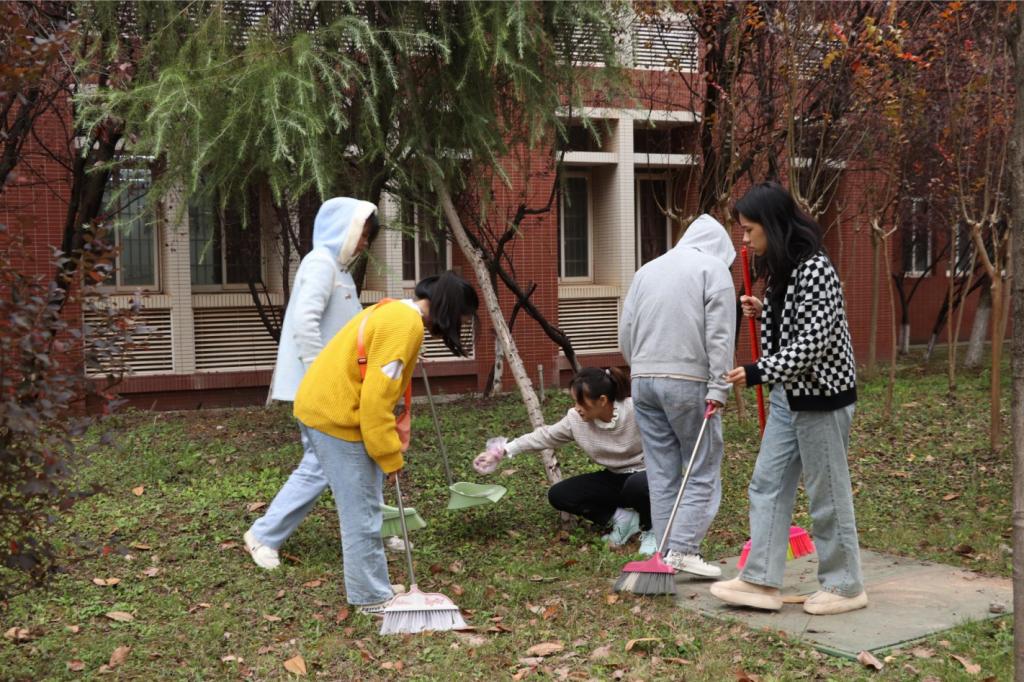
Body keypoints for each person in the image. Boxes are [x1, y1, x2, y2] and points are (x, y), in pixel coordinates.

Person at [711, 181, 866, 615]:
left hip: (822, 398)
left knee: (827, 492)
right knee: (767, 484)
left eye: (749, 230)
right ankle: (760, 580)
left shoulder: (816, 268)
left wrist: (757, 372)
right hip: (788, 396)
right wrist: (768, 312)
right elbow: (797, 326)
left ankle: (846, 585)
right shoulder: (787, 268)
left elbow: (814, 342)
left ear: (773, 224)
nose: (744, 239)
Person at [293, 271, 478, 614]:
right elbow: (375, 403)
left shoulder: (395, 310)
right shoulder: (405, 327)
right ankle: (370, 598)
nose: (461, 326)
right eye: (464, 319)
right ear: (451, 310)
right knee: (362, 513)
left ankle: (373, 584)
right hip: (336, 416)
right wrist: (389, 457)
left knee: (367, 505)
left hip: (324, 406)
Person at [243, 197, 382, 570]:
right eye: (362, 234)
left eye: (368, 236)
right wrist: (320, 375)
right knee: (321, 464)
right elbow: (305, 322)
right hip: (317, 387)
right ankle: (263, 534)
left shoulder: (339, 270)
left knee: (365, 454)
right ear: (344, 230)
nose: (364, 243)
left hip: (334, 385)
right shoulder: (320, 264)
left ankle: (376, 529)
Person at [618, 214, 736, 578]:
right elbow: (720, 336)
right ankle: (683, 549)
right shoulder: (714, 270)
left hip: (643, 381)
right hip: (689, 380)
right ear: (720, 248)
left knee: (661, 471)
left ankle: (667, 551)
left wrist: (640, 367)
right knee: (702, 465)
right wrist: (719, 385)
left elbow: (625, 330)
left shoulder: (647, 270)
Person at [474, 367, 656, 556]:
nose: (576, 408)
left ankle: (653, 528)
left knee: (636, 485)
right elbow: (544, 436)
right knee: (560, 494)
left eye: (581, 402)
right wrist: (501, 451)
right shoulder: (576, 419)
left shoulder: (636, 410)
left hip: (649, 477)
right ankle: (624, 520)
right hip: (616, 478)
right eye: (574, 401)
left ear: (602, 400)